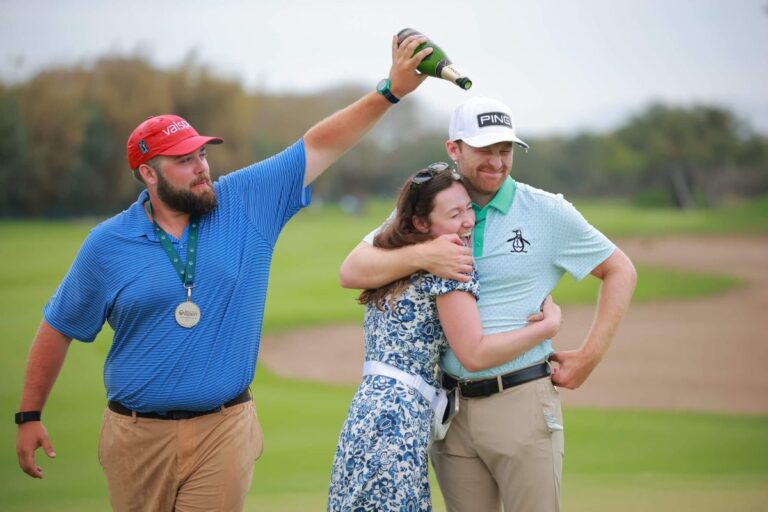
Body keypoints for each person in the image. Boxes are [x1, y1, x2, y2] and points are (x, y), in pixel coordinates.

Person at [14, 34, 433, 512]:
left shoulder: (245, 201)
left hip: (223, 428)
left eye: (202, 155)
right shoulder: (107, 245)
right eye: (184, 160)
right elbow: (58, 326)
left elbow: (318, 145)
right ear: (149, 175)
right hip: (135, 437)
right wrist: (29, 414)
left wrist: (390, 91)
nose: (201, 168)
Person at [339, 97, 638, 512]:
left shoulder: (546, 211)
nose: (497, 162)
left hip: (522, 400)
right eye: (485, 150)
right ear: (454, 150)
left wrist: (591, 355)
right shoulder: (436, 206)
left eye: (505, 150)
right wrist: (424, 255)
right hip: (451, 414)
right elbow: (353, 269)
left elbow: (620, 270)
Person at [328, 163, 563, 511]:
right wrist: (546, 328)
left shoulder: (391, 259)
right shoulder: (451, 265)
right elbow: (475, 354)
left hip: (365, 414)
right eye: (455, 214)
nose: (469, 220)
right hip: (400, 421)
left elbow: (351, 271)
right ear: (422, 223)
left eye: (469, 208)